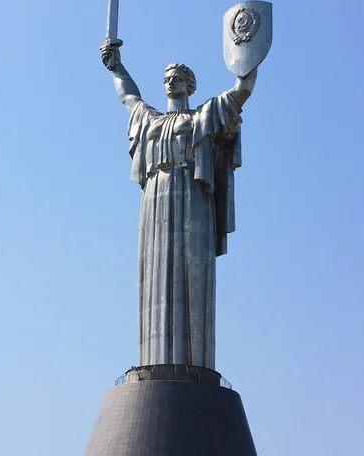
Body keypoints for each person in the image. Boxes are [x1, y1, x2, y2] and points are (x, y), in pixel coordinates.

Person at [100, 41, 257, 370]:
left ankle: (193, 364)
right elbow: (128, 96)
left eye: (178, 77)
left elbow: (241, 91)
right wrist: (117, 67)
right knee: (154, 275)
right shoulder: (150, 121)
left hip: (192, 195)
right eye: (168, 77)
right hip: (154, 200)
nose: (171, 81)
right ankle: (153, 362)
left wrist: (248, 55)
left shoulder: (204, 115)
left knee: (191, 270)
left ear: (190, 85)